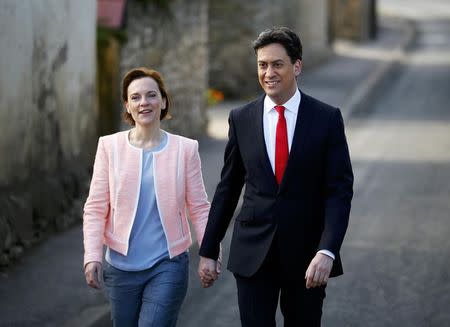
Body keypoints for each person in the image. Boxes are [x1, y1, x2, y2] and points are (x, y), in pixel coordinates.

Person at [198, 26, 354, 326]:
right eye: (262, 64)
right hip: (253, 254)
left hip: (308, 257)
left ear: (297, 66)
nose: (268, 72)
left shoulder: (326, 119)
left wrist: (327, 250)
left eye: (277, 64)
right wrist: (208, 248)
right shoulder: (241, 118)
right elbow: (228, 187)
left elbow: (339, 192)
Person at [83, 67, 215, 327]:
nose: (144, 102)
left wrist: (209, 253)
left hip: (167, 263)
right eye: (135, 97)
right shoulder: (109, 147)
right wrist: (92, 255)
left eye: (151, 95)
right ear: (127, 106)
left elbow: (199, 208)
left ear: (163, 101)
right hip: (120, 268)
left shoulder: (185, 149)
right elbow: (96, 208)